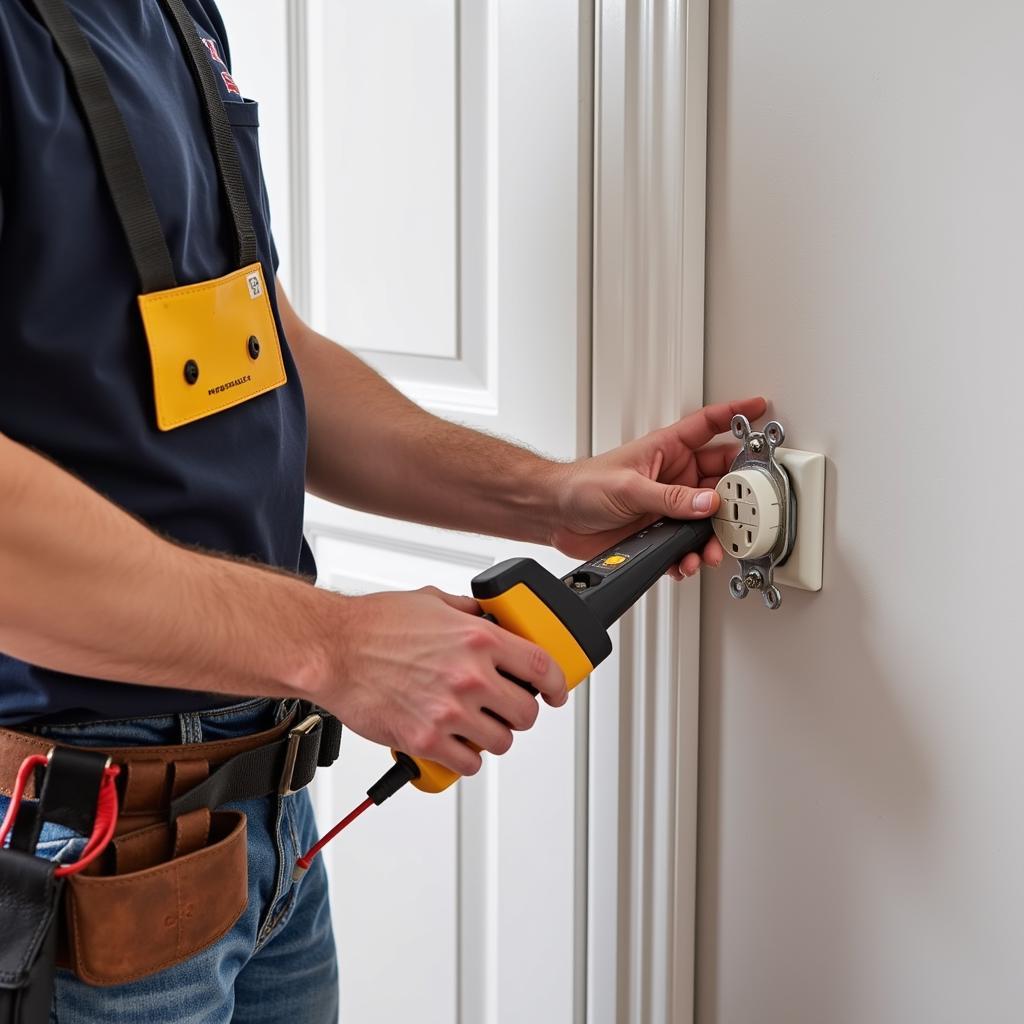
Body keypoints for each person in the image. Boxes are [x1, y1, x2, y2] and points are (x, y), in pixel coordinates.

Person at [0, 0, 766, 1019]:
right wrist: (338, 647)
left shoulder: (171, 14)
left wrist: (549, 495)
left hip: (262, 823)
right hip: (69, 841)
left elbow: (257, 347)